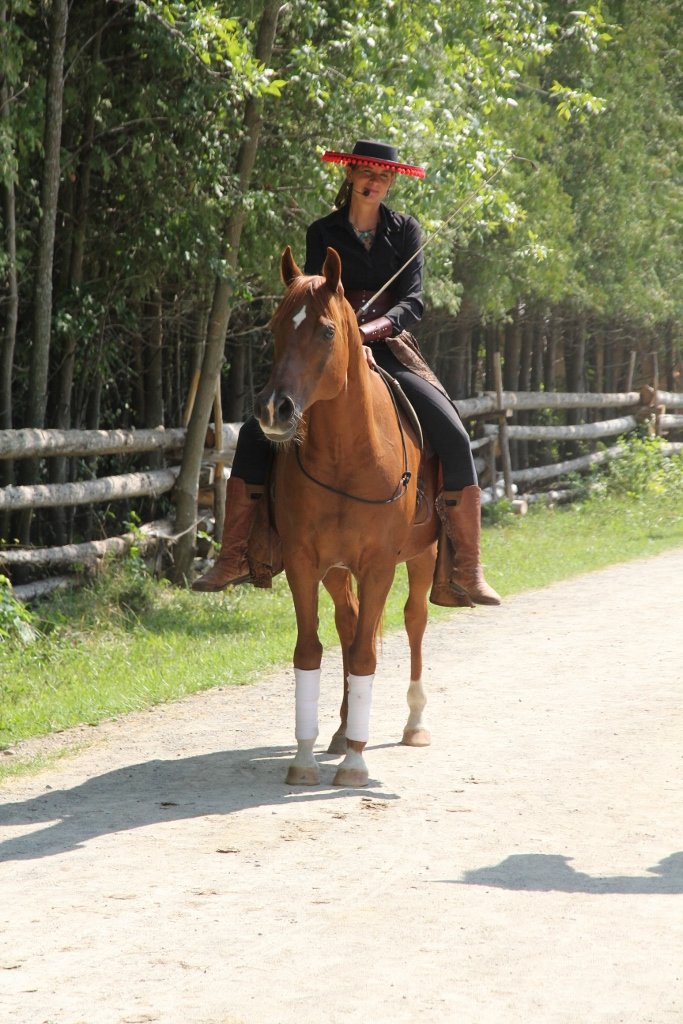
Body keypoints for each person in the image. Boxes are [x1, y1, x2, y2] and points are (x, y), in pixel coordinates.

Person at [193, 139, 500, 607]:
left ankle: (465, 568)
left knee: (453, 433)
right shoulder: (322, 232)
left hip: (390, 348)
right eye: (366, 173)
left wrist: (368, 331)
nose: (374, 182)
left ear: (390, 182)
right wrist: (342, 337)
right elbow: (312, 291)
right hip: (326, 349)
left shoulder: (406, 231)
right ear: (351, 175)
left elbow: (413, 301)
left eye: (383, 175)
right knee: (259, 430)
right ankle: (235, 554)